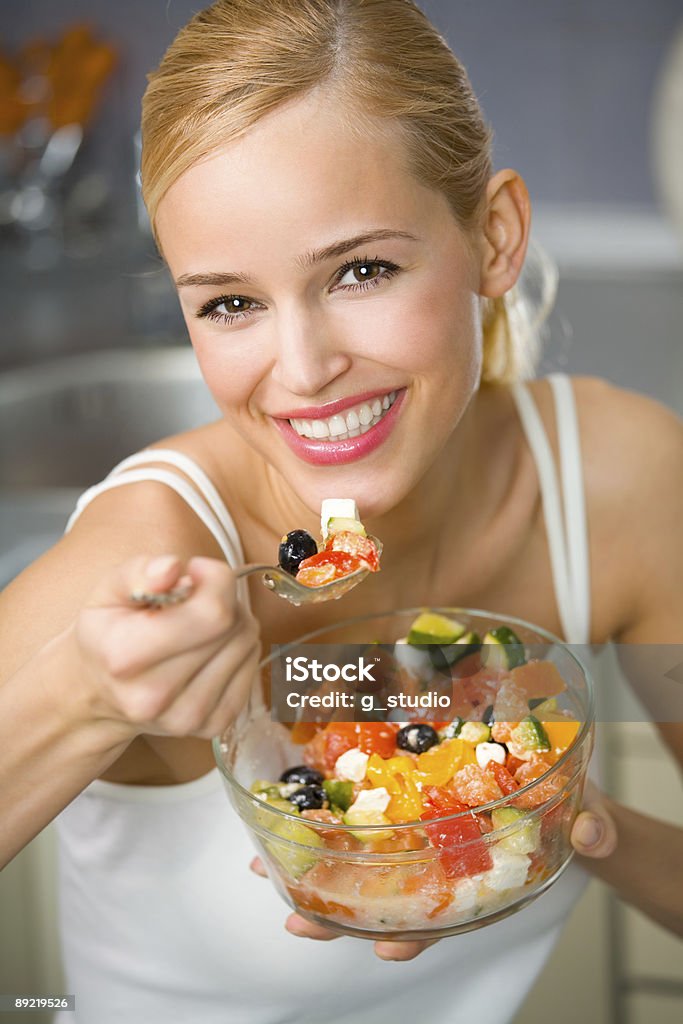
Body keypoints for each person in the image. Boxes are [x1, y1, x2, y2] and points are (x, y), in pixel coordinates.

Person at [1, 1, 681, 1021]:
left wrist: (568, 823)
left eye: (361, 270)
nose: (306, 371)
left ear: (492, 238)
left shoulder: (620, 482)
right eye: (230, 302)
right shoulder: (156, 549)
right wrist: (81, 696)